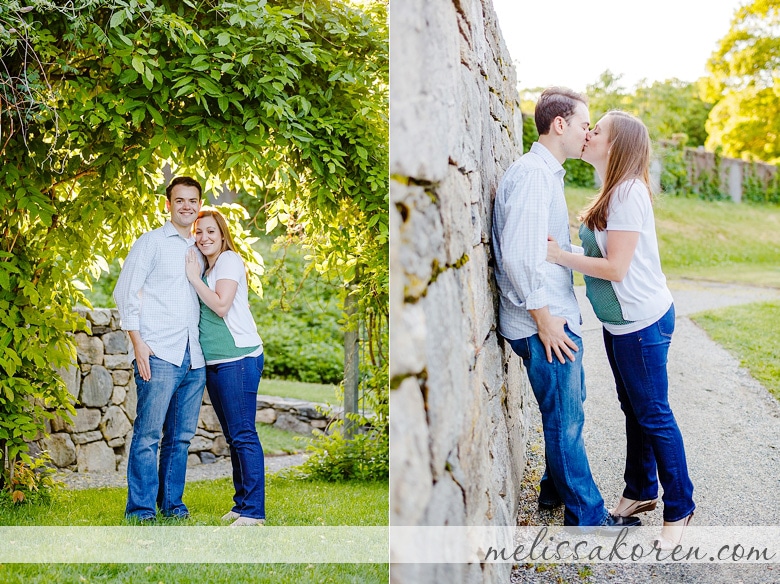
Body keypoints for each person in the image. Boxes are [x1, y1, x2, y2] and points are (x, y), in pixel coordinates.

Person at [492, 87, 640, 530]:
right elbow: (520, 256)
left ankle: (554, 491)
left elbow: (545, 248)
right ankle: (587, 518)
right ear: (560, 125)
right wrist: (543, 321)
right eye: (582, 124)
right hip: (545, 322)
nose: (587, 133)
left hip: (550, 317)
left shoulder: (544, 174)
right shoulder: (534, 177)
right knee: (566, 420)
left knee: (568, 406)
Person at [547, 110, 696, 548]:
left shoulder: (628, 193)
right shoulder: (613, 190)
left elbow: (615, 267)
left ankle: (681, 506)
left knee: (653, 413)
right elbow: (600, 253)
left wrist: (559, 257)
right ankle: (640, 491)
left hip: (643, 323)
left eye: (598, 131)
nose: (588, 134)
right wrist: (562, 249)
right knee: (634, 408)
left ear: (616, 145)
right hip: (621, 323)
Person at [114, 176, 206, 522]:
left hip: (193, 357)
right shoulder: (150, 243)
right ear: (168, 205)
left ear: (199, 204)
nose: (186, 206)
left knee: (180, 438)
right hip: (159, 354)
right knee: (149, 435)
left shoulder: (200, 247)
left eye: (192, 200)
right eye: (179, 200)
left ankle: (172, 505)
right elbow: (125, 292)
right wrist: (138, 343)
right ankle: (140, 510)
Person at [185, 208, 266, 527]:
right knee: (234, 436)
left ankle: (254, 512)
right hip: (217, 362)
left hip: (239, 359)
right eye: (198, 232)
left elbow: (221, 305)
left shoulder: (229, 260)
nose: (204, 237)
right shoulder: (209, 264)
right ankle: (242, 503)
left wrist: (193, 278)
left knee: (244, 434)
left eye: (210, 231)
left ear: (222, 235)